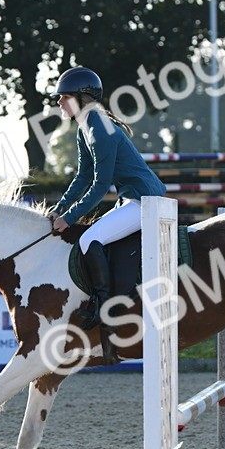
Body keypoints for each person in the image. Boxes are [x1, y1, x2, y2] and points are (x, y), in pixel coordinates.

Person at [47, 66, 167, 365]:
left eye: (63, 97)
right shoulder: (85, 126)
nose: (58, 102)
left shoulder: (99, 126)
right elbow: (82, 177)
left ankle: (105, 311)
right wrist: (59, 208)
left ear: (80, 97)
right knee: (96, 238)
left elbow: (100, 186)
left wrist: (71, 218)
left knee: (89, 239)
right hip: (132, 198)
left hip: (145, 200)